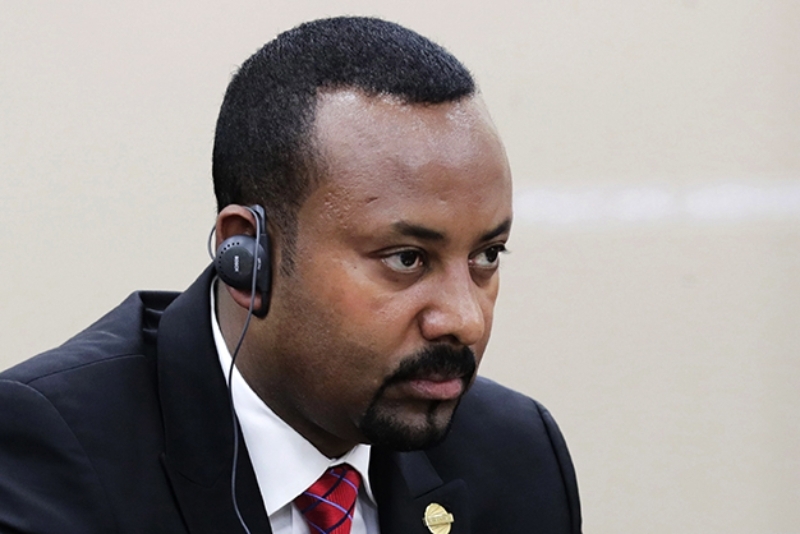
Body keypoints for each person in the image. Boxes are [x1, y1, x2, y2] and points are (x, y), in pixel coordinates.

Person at [0, 16, 581, 534]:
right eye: (406, 259)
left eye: (487, 256)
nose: (465, 319)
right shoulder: (47, 453)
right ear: (248, 258)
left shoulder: (514, 453)